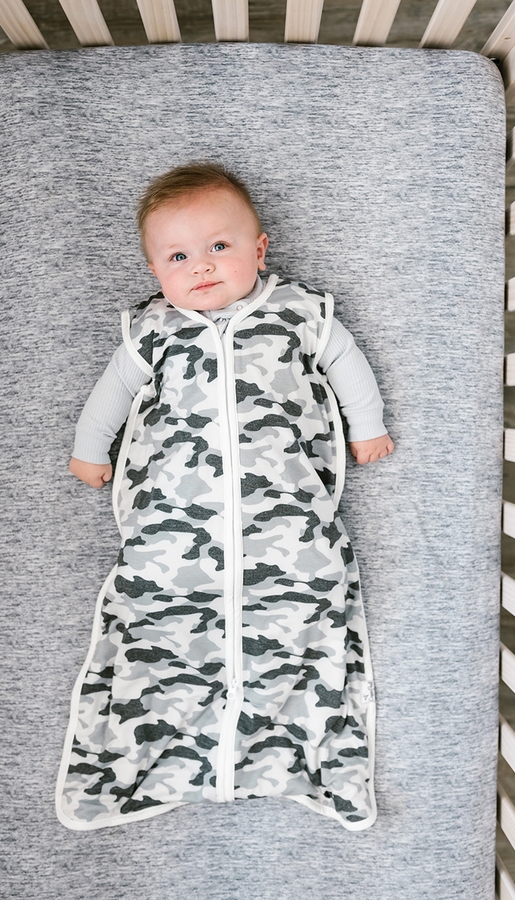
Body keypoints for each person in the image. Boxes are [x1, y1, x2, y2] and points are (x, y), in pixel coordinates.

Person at [56, 162, 394, 832]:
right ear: (156, 271)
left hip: (289, 524)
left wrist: (368, 426)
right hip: (173, 528)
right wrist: (90, 448)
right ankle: (155, 753)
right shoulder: (153, 330)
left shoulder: (298, 312)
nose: (202, 266)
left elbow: (347, 363)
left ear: (259, 249)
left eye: (219, 246)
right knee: (156, 619)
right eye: (178, 257)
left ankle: (300, 755)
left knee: (311, 609)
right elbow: (111, 395)